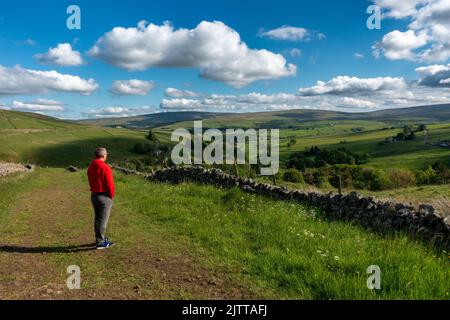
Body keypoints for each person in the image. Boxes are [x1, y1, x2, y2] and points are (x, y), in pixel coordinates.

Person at [87, 147, 115, 249]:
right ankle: (100, 243)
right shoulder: (105, 167)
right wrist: (111, 196)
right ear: (103, 156)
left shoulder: (91, 167)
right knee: (103, 220)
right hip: (104, 196)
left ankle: (99, 239)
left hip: (94, 195)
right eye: (106, 154)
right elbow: (110, 184)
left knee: (98, 219)